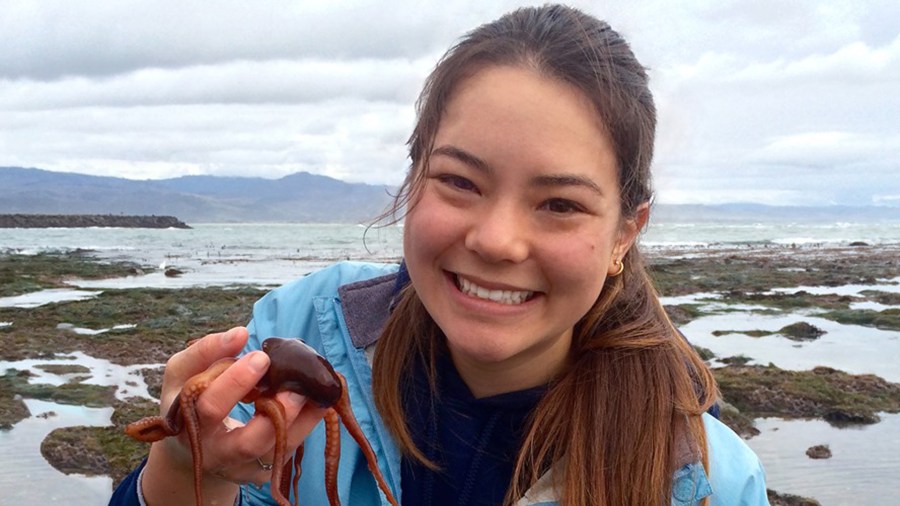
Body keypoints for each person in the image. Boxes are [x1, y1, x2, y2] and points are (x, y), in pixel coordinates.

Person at [110, 5, 768, 505]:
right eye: (459, 182)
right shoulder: (298, 328)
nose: (494, 240)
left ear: (626, 232)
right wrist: (178, 474)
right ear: (412, 178)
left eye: (561, 203)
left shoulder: (705, 480)